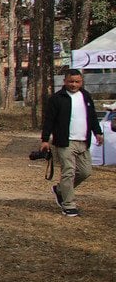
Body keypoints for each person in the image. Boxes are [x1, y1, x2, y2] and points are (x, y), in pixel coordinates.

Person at [40, 68, 104, 216]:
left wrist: (98, 132)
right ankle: (68, 204)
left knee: (85, 171)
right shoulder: (57, 98)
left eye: (77, 82)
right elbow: (49, 120)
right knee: (68, 172)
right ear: (64, 81)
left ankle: (60, 190)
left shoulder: (86, 96)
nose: (74, 84)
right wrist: (45, 139)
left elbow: (92, 117)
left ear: (81, 82)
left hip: (83, 140)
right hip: (65, 142)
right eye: (71, 81)